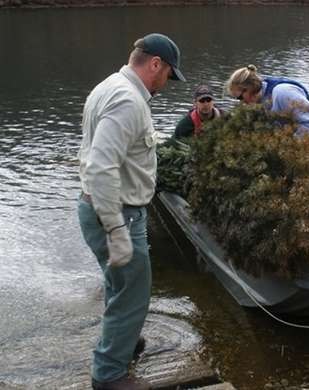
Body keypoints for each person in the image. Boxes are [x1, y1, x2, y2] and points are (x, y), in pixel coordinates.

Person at [77, 33, 184, 390]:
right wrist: (116, 229)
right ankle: (109, 375)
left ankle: (122, 342)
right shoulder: (127, 100)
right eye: (168, 73)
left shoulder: (110, 85)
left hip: (98, 206)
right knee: (134, 293)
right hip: (117, 213)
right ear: (155, 64)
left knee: (119, 285)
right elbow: (101, 166)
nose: (167, 83)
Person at [225, 64, 309, 136]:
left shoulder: (282, 92)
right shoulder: (258, 103)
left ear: (249, 88)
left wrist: (289, 147)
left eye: (240, 97)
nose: (241, 102)